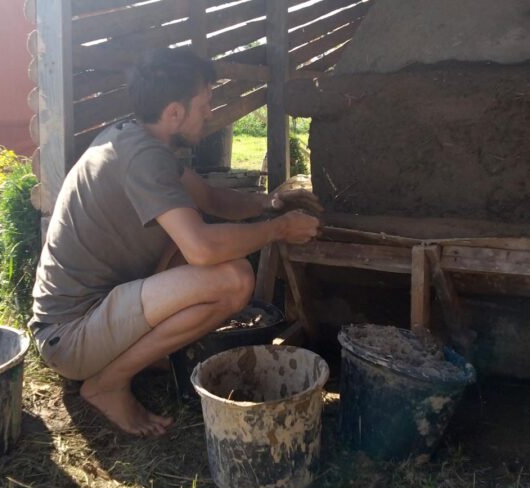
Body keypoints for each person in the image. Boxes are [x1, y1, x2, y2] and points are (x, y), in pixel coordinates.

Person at [30, 48, 322, 436]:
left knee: (191, 230)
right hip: (70, 336)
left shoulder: (138, 139)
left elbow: (211, 198)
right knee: (232, 279)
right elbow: (201, 249)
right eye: (205, 104)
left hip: (98, 310)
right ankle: (107, 384)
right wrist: (279, 229)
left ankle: (139, 356)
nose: (210, 113)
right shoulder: (143, 159)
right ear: (174, 113)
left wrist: (269, 204)